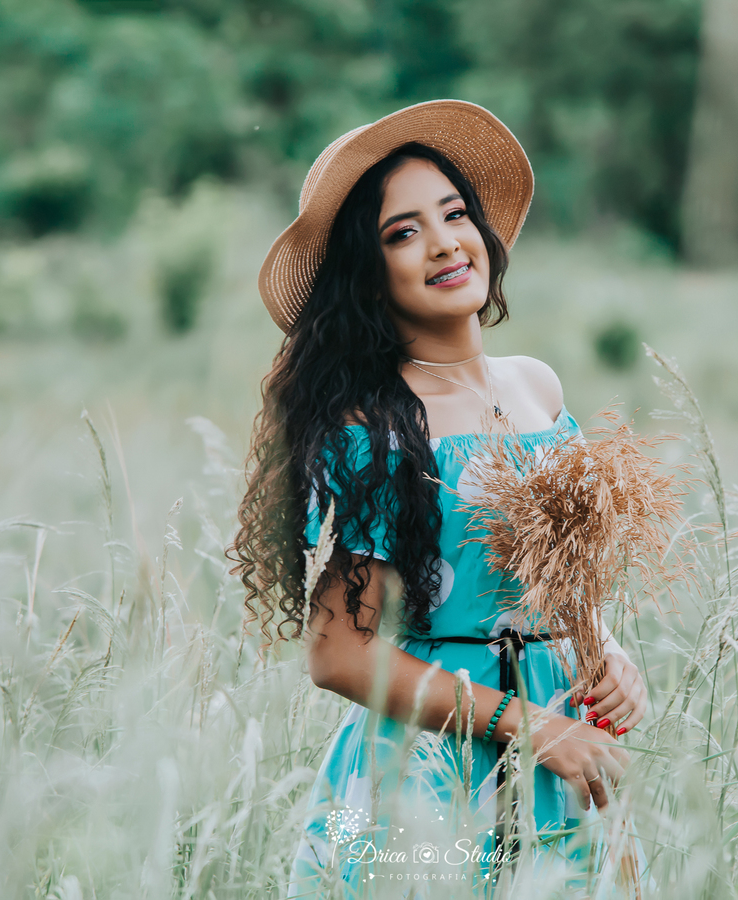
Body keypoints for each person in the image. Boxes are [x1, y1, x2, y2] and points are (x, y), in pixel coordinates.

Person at [231, 100, 649, 898]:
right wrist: (525, 724)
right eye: (403, 232)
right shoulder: (381, 429)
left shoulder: (536, 386)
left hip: (563, 761)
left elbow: (550, 579)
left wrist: (607, 653)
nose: (445, 242)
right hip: (429, 777)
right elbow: (338, 654)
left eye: (453, 214)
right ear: (368, 272)